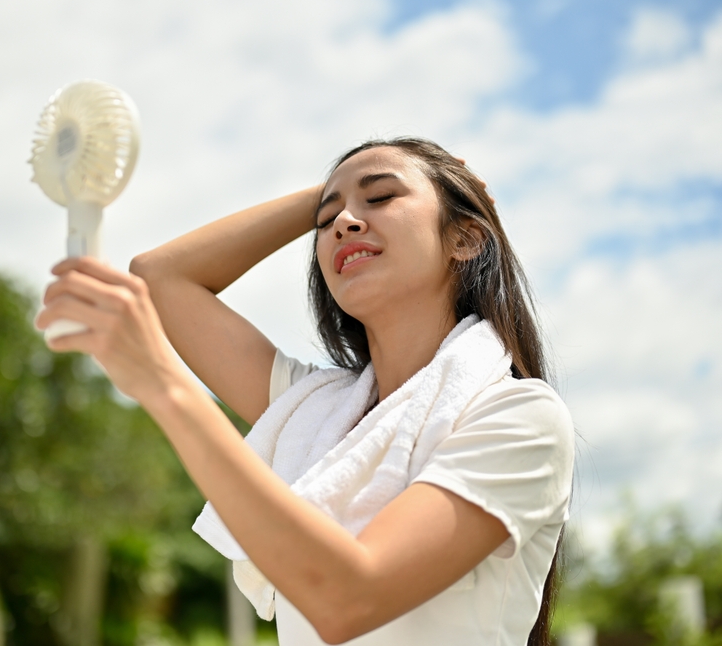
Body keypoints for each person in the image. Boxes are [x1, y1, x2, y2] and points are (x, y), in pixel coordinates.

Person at [34, 137, 574, 645]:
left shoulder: (519, 416)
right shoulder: (315, 414)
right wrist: (329, 196)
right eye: (326, 220)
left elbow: (348, 596)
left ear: (465, 237)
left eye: (383, 195)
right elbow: (160, 276)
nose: (343, 223)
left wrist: (161, 384)